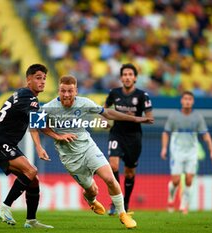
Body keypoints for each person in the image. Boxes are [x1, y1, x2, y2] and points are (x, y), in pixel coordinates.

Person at [30, 75, 154, 229]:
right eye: (63, 91)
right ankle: (91, 200)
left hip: (88, 148)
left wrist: (136, 119)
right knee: (91, 190)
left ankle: (123, 214)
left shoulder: (84, 103)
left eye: (70, 91)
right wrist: (55, 138)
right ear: (58, 90)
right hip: (70, 157)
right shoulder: (48, 108)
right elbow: (34, 126)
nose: (66, 94)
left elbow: (107, 113)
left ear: (76, 91)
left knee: (110, 178)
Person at [0, 64, 69, 228]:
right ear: (28, 80)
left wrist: (57, 136)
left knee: (33, 180)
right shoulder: (27, 97)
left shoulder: (25, 96)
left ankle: (31, 221)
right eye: (38, 78)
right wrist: (39, 147)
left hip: (1, 142)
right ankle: (4, 207)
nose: (42, 81)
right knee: (31, 171)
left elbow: (38, 123)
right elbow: (35, 125)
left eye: (44, 78)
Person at [104, 63, 154, 215]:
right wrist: (105, 119)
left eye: (130, 75)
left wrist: (135, 118)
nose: (127, 77)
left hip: (134, 137)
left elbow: (150, 118)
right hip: (117, 133)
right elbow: (104, 109)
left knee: (129, 172)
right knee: (113, 166)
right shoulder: (114, 93)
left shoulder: (142, 96)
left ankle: (125, 203)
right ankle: (115, 202)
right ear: (121, 78)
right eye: (124, 75)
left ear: (135, 78)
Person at [160, 91, 212, 214]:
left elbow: (205, 135)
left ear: (193, 101)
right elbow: (166, 132)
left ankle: (184, 205)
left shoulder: (198, 117)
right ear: (181, 101)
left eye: (189, 99)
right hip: (177, 151)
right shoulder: (174, 116)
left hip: (192, 152)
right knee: (175, 181)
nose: (187, 101)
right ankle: (171, 198)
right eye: (185, 99)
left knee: (189, 180)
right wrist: (164, 148)